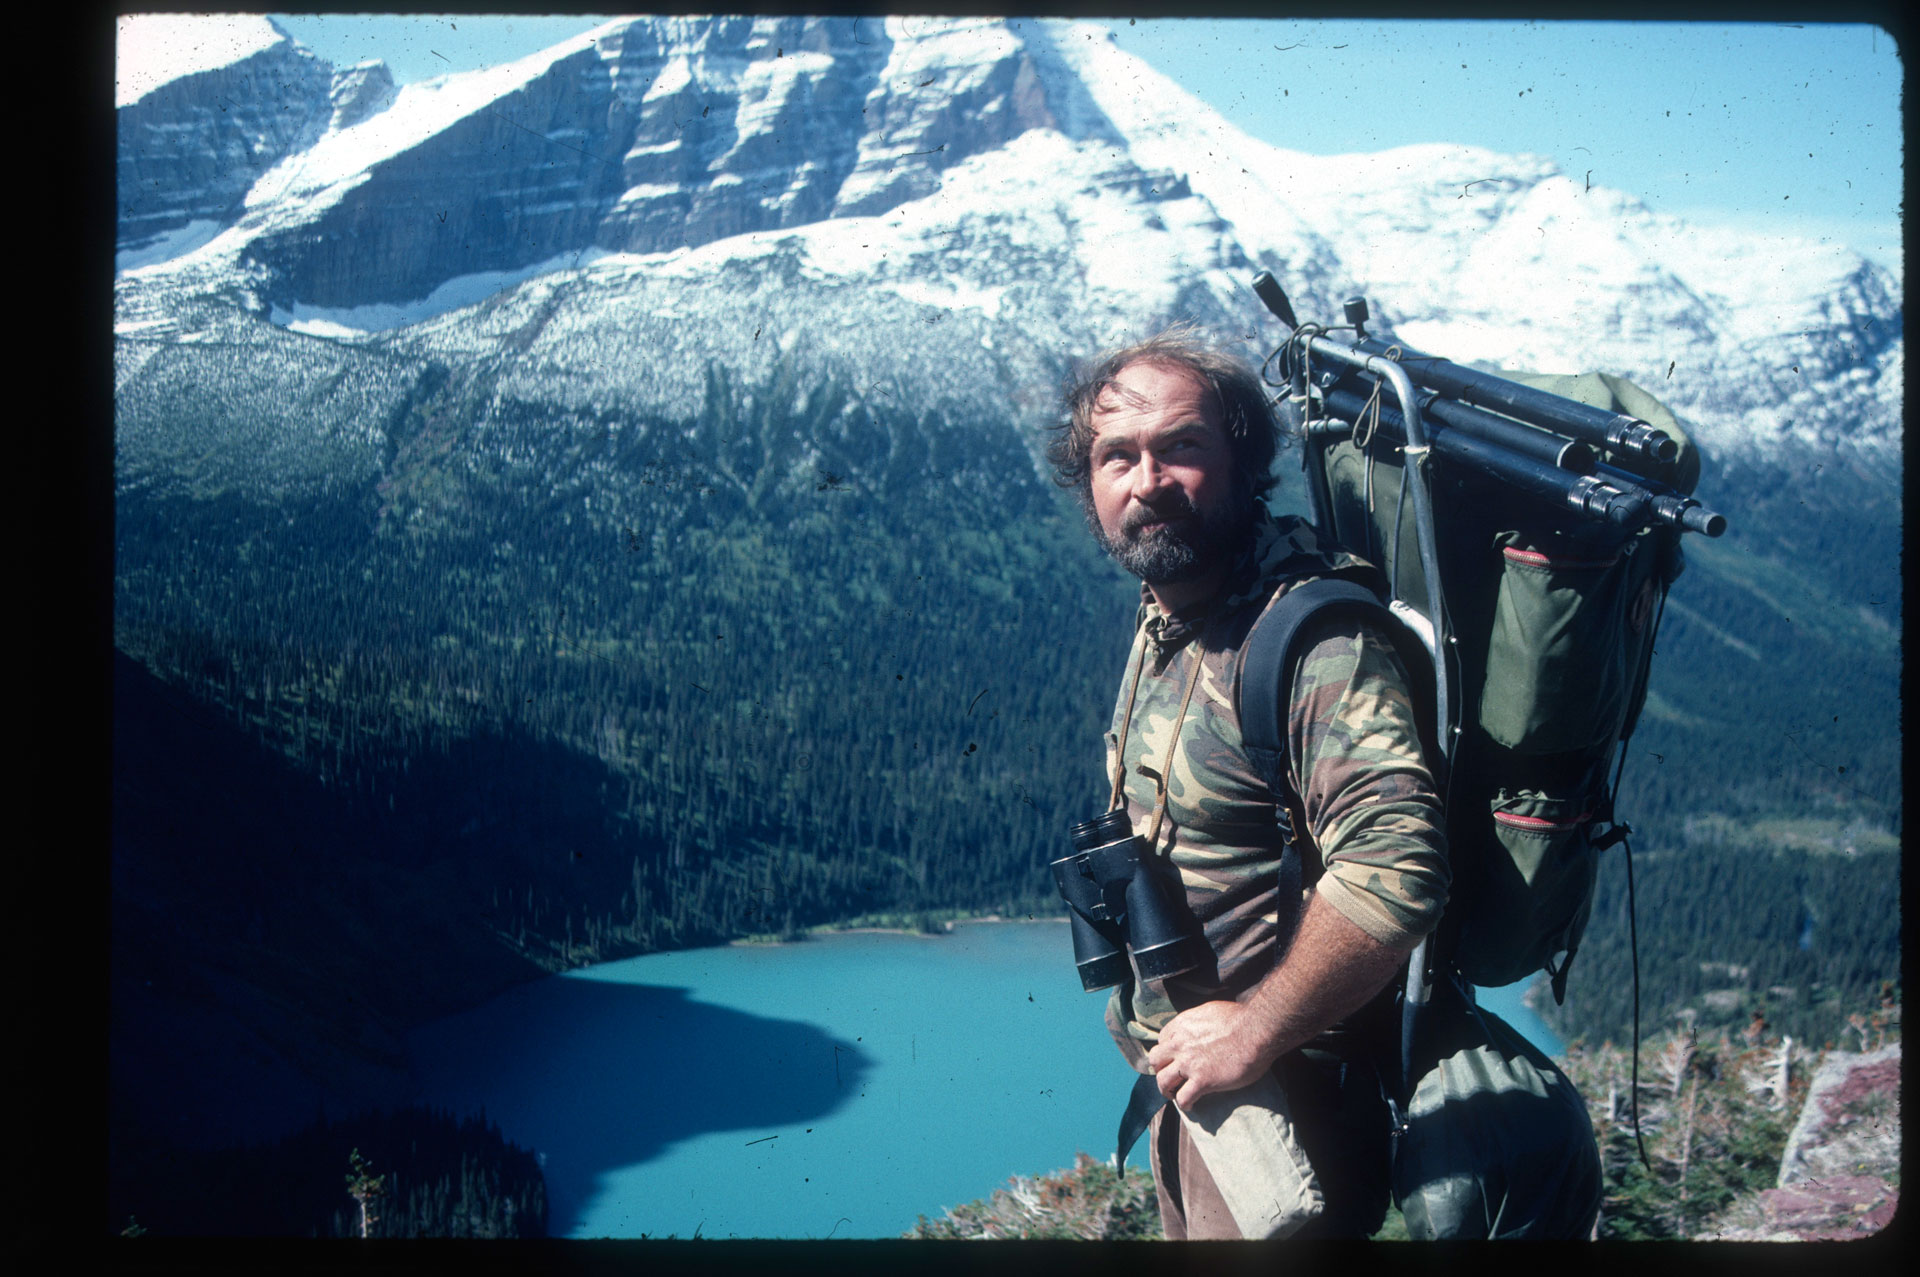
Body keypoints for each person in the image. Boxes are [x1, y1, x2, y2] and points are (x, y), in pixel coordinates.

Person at [1049, 327, 1451, 1239]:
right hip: (1205, 1097)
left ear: (1243, 464)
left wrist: (1254, 1029)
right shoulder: (1173, 611)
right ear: (1090, 484)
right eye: (1117, 457)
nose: (1148, 482)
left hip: (1288, 1106)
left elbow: (1398, 866)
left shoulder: (1310, 641)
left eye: (1182, 447)